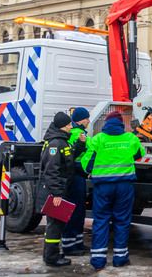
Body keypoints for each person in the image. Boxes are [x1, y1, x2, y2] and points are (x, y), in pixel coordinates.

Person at [81, 111, 145, 269]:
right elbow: (139, 155)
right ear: (121, 124)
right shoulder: (130, 138)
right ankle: (120, 258)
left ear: (106, 124)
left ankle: (98, 260)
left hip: (103, 187)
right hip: (124, 186)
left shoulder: (98, 139)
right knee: (122, 221)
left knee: (101, 220)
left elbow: (86, 164)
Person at [41, 112, 76, 267]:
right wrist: (56, 193)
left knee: (56, 223)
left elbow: (68, 160)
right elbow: (51, 170)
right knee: (54, 224)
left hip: (61, 189)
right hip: (57, 191)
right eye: (69, 124)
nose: (71, 127)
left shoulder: (62, 141)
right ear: (62, 126)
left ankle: (51, 253)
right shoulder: (55, 143)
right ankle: (52, 257)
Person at [60, 107, 90, 256]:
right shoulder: (76, 134)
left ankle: (77, 243)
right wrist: (81, 144)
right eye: (86, 118)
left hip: (79, 175)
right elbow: (71, 155)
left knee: (79, 211)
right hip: (74, 175)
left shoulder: (79, 133)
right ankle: (69, 246)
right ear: (80, 120)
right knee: (74, 211)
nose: (88, 121)